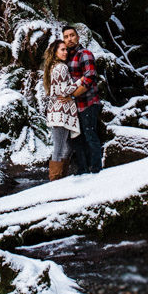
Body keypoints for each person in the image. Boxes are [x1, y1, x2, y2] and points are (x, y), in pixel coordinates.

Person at [63, 26, 103, 173]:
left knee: (90, 134)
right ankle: (82, 169)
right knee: (76, 138)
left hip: (88, 103)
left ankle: (96, 168)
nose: (69, 39)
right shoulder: (65, 57)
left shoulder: (84, 54)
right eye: (66, 37)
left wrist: (73, 95)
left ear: (78, 37)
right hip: (73, 106)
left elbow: (89, 78)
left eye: (72, 35)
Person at [41, 40, 81, 181]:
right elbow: (63, 90)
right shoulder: (61, 67)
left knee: (67, 145)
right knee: (59, 147)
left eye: (66, 50)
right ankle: (55, 179)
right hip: (60, 112)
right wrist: (80, 81)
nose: (65, 52)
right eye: (62, 50)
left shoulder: (53, 66)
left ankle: (61, 177)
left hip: (59, 111)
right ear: (55, 52)